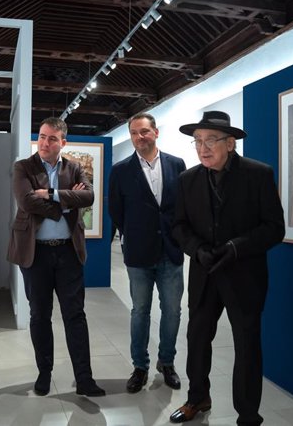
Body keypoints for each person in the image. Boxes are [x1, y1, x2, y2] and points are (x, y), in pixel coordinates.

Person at [168, 111, 285, 425]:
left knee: (247, 345)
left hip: (244, 276)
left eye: (210, 140)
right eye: (197, 142)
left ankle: (248, 414)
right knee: (196, 339)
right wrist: (197, 249)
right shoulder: (187, 180)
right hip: (204, 275)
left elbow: (275, 228)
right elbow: (178, 226)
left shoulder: (258, 174)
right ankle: (197, 399)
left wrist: (236, 247)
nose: (203, 148)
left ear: (230, 143)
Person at [7, 117, 106, 397]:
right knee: (40, 315)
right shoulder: (23, 167)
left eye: (52, 138)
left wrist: (50, 194)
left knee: (75, 315)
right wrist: (63, 205)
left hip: (67, 252)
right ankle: (44, 373)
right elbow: (26, 201)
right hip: (35, 254)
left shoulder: (73, 167)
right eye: (41, 136)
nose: (44, 143)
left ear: (63, 142)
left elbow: (88, 197)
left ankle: (84, 379)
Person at [108, 113, 186, 393]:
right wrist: (133, 234)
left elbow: (182, 207)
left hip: (171, 252)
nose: (138, 137)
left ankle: (167, 362)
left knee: (173, 312)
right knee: (140, 311)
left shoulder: (177, 165)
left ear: (156, 132)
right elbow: (115, 211)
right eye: (133, 133)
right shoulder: (120, 170)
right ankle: (139, 366)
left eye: (143, 132)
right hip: (139, 254)